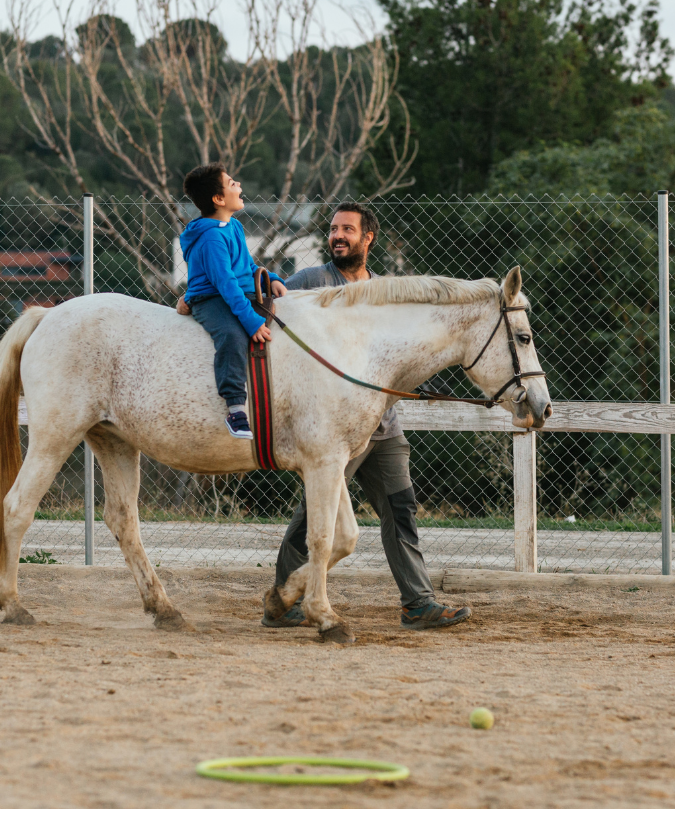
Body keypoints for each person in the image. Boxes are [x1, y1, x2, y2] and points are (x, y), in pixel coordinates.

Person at [263, 202, 472, 631]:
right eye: (334, 229)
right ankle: (285, 600)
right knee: (313, 515)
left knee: (401, 510)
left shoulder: (384, 293)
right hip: (333, 426)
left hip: (383, 427)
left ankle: (418, 603)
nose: (337, 236)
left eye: (347, 230)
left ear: (367, 237)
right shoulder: (312, 281)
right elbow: (277, 311)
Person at [179, 163, 286, 440]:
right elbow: (225, 284)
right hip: (211, 298)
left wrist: (270, 279)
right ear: (218, 199)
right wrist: (250, 322)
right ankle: (236, 408)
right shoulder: (212, 237)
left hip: (235, 292)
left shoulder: (233, 226)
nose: (239, 186)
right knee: (232, 335)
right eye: (232, 183)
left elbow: (247, 267)